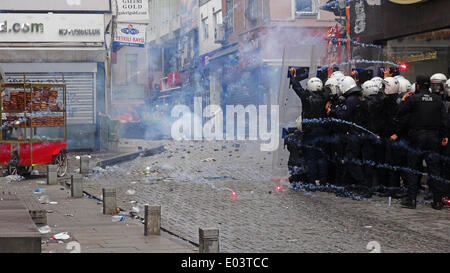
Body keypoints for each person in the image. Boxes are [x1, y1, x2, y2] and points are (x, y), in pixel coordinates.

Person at [395, 75, 448, 210]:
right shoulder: (437, 100)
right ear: (429, 85)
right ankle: (437, 201)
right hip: (433, 137)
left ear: (417, 86)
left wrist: (403, 99)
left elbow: (400, 113)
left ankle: (411, 199)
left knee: (413, 168)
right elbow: (444, 120)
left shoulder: (413, 99)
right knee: (434, 169)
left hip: (416, 137)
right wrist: (444, 135)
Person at [290, 68, 330, 186]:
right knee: (322, 158)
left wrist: (294, 77)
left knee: (311, 158)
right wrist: (328, 76)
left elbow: (298, 89)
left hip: (310, 132)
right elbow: (327, 89)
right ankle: (323, 182)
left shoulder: (307, 98)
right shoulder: (324, 97)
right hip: (323, 132)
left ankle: (312, 181)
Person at [329, 76, 366, 195]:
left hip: (353, 134)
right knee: (349, 160)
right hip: (355, 133)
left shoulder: (351, 100)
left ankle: (363, 186)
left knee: (350, 160)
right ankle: (349, 186)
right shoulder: (356, 99)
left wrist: (332, 111)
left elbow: (342, 115)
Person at [381, 77, 406, 198]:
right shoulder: (388, 100)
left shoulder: (396, 102)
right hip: (388, 135)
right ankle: (390, 188)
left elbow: (402, 120)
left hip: (394, 137)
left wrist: (397, 133)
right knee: (388, 163)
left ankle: (395, 189)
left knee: (394, 163)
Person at [360, 80, 385, 196]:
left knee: (368, 163)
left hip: (369, 135)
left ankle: (368, 188)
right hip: (380, 135)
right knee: (379, 161)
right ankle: (380, 186)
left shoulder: (365, 104)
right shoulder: (382, 101)